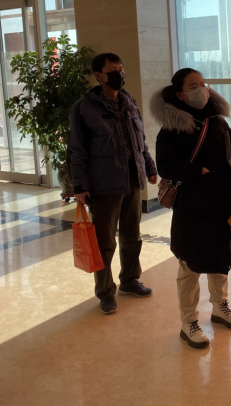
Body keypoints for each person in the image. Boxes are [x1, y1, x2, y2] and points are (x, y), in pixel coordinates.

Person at [152, 69, 231, 349]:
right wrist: (199, 172)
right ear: (180, 94)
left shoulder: (217, 120)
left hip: (222, 202)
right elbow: (165, 166)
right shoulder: (172, 128)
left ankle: (220, 306)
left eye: (203, 84)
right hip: (192, 206)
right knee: (190, 264)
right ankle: (189, 321)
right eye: (194, 86)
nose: (202, 89)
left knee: (220, 257)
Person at [69, 52, 158, 315]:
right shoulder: (83, 108)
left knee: (132, 236)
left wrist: (149, 167)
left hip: (132, 179)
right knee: (104, 242)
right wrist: (79, 186)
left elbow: (140, 141)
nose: (119, 74)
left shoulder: (129, 102)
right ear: (98, 75)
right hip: (104, 183)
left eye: (121, 68)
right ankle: (106, 292)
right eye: (112, 70)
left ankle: (129, 280)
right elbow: (76, 150)